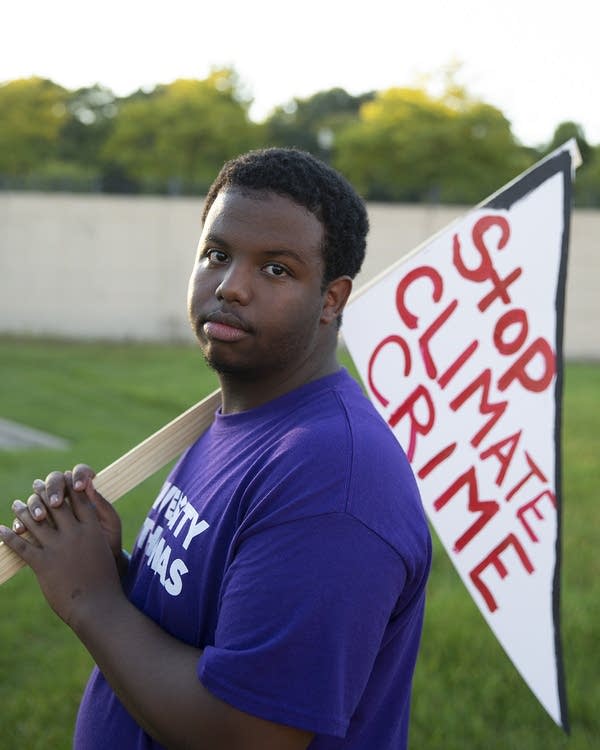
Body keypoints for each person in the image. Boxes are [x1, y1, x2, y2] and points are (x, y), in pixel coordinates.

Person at [1, 148, 432, 749]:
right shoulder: (239, 417)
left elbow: (247, 733)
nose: (231, 287)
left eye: (276, 269)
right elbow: (203, 623)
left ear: (332, 300)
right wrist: (111, 567)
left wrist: (90, 599)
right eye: (217, 255)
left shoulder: (333, 477)